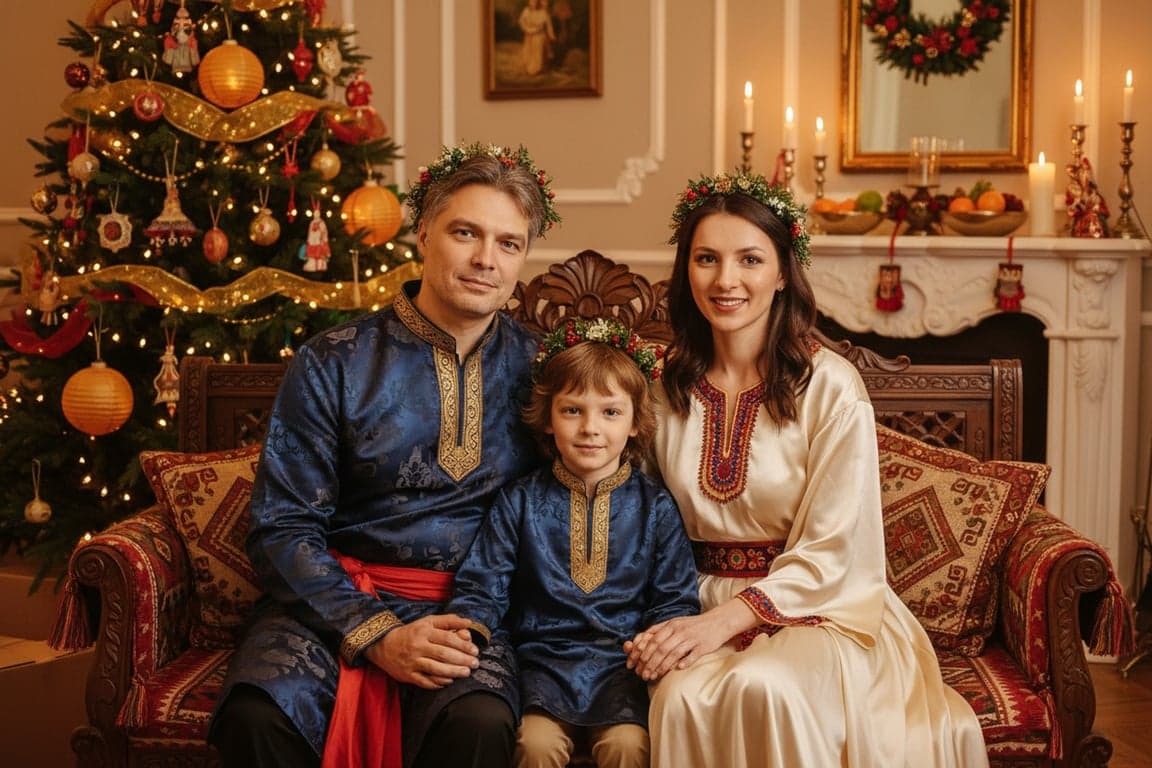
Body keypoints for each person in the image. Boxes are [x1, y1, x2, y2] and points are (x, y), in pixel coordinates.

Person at [208, 142, 562, 768]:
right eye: (465, 233)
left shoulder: (545, 372)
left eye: (509, 244)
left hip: (473, 611)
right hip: (333, 601)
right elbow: (283, 526)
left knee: (477, 721)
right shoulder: (334, 360)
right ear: (423, 233)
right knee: (256, 715)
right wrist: (376, 634)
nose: (486, 260)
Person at [624, 171, 989, 767]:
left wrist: (725, 624)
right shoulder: (665, 389)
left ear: (782, 272)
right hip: (691, 602)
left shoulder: (831, 387)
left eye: (749, 258)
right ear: (685, 270)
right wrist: (673, 621)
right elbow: (633, 517)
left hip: (821, 608)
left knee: (764, 687)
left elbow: (838, 548)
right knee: (682, 698)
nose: (726, 280)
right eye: (707, 259)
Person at [446, 318, 700, 768]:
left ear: (637, 423)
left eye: (610, 412)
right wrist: (469, 630)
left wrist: (657, 645)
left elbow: (674, 598)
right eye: (572, 410)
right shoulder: (519, 501)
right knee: (535, 745)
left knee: (629, 747)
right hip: (542, 669)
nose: (590, 428)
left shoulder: (656, 507)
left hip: (622, 672)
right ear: (547, 418)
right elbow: (483, 584)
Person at [519, 0, 555, 76]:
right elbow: (521, 21)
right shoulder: (526, 11)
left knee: (537, 52)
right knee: (528, 51)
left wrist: (551, 35)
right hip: (528, 35)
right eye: (531, 2)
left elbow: (548, 25)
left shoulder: (543, 13)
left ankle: (535, 69)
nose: (533, 4)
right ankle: (528, 68)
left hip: (538, 36)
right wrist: (526, 28)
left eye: (535, 2)